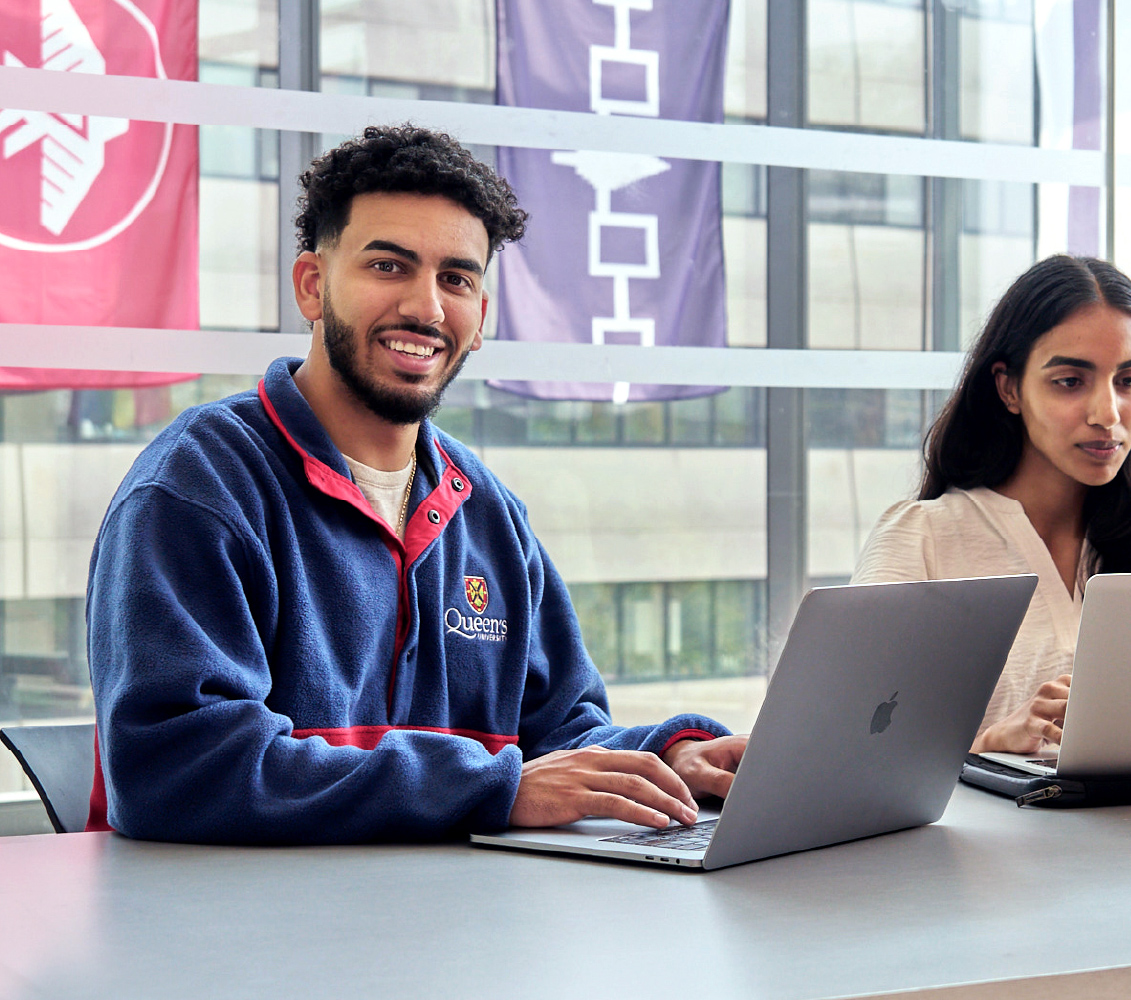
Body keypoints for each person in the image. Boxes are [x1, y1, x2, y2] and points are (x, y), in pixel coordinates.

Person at [85, 125, 747, 844]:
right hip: (226, 936)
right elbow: (178, 770)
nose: (427, 308)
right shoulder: (197, 487)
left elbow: (560, 735)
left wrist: (672, 756)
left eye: (456, 279)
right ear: (312, 285)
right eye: (389, 266)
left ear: (481, 317)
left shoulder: (486, 509)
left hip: (447, 931)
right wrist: (490, 785)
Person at [850, 254, 1131, 754]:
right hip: (986, 832)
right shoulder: (922, 538)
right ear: (1008, 387)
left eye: (1128, 380)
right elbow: (849, 746)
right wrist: (990, 743)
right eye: (1070, 381)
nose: (1108, 414)